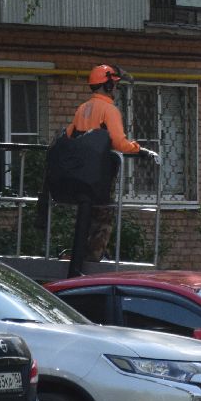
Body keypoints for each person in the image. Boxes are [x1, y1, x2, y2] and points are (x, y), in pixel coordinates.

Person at [64, 64, 145, 277]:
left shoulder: (82, 108)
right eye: (115, 84)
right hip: (99, 174)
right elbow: (118, 141)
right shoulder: (109, 110)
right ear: (108, 84)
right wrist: (136, 148)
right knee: (104, 218)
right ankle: (93, 259)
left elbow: (69, 134)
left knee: (86, 216)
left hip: (79, 174)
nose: (115, 89)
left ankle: (81, 254)